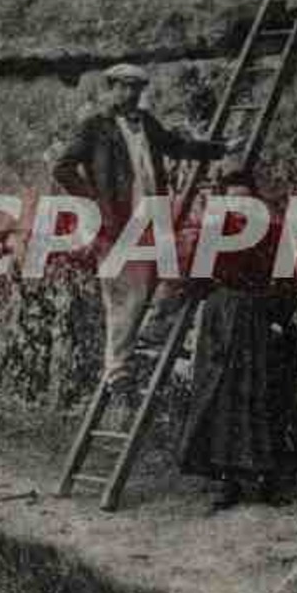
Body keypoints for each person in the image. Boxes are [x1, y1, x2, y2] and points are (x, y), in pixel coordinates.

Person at [51, 63, 241, 398]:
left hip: (151, 216)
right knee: (125, 293)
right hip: (116, 221)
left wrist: (221, 148)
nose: (129, 94)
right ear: (111, 89)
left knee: (163, 279)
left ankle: (138, 344)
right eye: (123, 87)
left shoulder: (147, 123)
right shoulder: (95, 127)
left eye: (135, 88)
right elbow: (62, 166)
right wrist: (94, 202)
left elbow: (178, 146)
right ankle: (116, 370)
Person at [178, 171, 297, 510]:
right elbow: (196, 280)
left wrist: (276, 318)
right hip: (222, 323)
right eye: (233, 199)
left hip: (261, 321)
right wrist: (217, 304)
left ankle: (268, 480)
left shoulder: (275, 233)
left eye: (246, 199)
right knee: (222, 399)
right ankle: (228, 481)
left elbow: (286, 282)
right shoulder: (215, 233)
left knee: (265, 398)